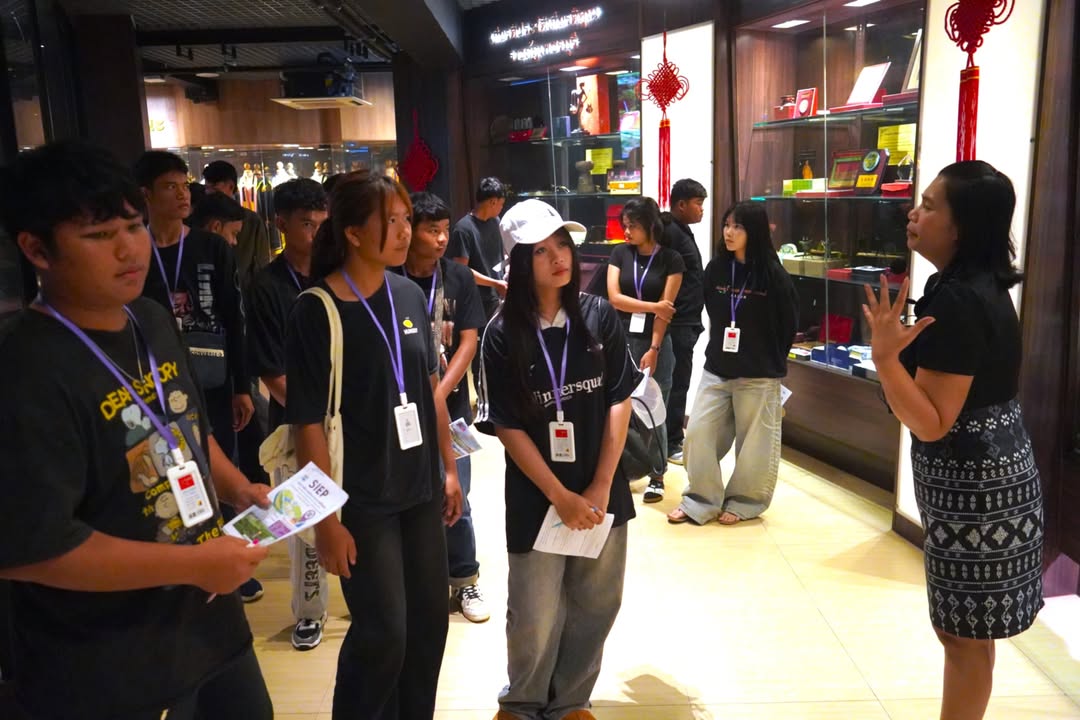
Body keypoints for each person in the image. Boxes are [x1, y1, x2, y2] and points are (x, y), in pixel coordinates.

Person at [0, 140, 273, 720]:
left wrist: (237, 488)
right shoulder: (25, 365)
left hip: (208, 624)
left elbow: (185, 428)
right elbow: (31, 550)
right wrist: (194, 565)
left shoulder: (148, 318)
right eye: (99, 235)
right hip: (106, 661)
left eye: (133, 225)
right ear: (36, 249)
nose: (129, 248)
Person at [861, 161, 1044, 720]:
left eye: (930, 205)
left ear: (961, 226)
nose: (914, 213)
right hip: (991, 477)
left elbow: (932, 421)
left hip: (978, 490)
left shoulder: (958, 299)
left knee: (961, 634)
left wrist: (885, 358)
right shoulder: (966, 286)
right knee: (969, 632)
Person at [287, 171, 463, 719]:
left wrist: (449, 469)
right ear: (353, 232)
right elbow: (306, 424)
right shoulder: (315, 308)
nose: (406, 231)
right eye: (392, 221)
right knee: (384, 633)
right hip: (361, 500)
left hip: (419, 489)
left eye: (408, 219)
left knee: (429, 626)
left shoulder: (408, 292)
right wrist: (325, 521)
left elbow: (429, 390)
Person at [476, 199, 638, 720]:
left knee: (596, 603)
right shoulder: (501, 334)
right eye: (540, 251)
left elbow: (619, 398)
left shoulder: (598, 315)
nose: (558, 258)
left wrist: (600, 484)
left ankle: (571, 702)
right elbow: (507, 425)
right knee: (534, 610)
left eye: (562, 245)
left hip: (600, 486)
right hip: (537, 493)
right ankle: (522, 703)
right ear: (519, 263)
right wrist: (559, 495)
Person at [136, 151, 261, 602]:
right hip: (151, 381)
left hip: (213, 379)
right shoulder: (135, 251)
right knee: (165, 471)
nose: (182, 194)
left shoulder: (212, 248)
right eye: (169, 186)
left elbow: (235, 318)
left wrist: (242, 387)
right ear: (145, 195)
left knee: (219, 466)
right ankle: (188, 564)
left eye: (183, 184)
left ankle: (231, 561)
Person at [667, 201, 797, 526]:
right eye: (727, 225)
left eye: (737, 226)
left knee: (755, 444)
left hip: (759, 373)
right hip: (718, 368)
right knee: (698, 434)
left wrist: (769, 360)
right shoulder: (717, 269)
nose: (729, 232)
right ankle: (700, 500)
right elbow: (713, 311)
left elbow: (788, 324)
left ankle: (745, 501)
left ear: (754, 231)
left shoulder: (773, 275)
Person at [395, 191, 490, 623]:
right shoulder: (390, 279)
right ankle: (420, 582)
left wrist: (439, 391)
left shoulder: (458, 277)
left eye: (445, 230)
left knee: (458, 496)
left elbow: (469, 340)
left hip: (453, 412)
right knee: (410, 498)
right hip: (402, 414)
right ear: (409, 231)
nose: (441, 239)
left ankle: (464, 578)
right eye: (431, 230)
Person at [247, 178, 331, 650]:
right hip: (295, 420)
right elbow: (270, 369)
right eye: (306, 224)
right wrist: (310, 416)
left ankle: (365, 598)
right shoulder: (266, 286)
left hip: (347, 415)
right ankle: (310, 612)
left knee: (358, 512)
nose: (316, 233)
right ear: (281, 224)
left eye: (322, 223)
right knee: (304, 523)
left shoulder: (338, 274)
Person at [606, 196, 683, 502]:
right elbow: (614, 298)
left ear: (650, 226)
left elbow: (666, 312)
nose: (626, 232)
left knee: (654, 410)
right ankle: (624, 468)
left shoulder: (671, 259)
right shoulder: (619, 253)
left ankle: (657, 474)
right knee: (620, 406)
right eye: (624, 225)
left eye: (632, 226)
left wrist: (654, 348)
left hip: (655, 342)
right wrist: (653, 306)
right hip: (620, 338)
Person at [661, 178, 708, 465]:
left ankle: (670, 439)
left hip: (686, 320)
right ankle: (670, 443)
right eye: (698, 204)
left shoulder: (680, 230)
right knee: (676, 383)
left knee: (679, 382)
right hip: (677, 322)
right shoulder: (670, 232)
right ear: (681, 204)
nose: (702, 209)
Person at [203, 159, 271, 290]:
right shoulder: (202, 216)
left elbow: (261, 263)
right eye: (207, 188)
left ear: (230, 186)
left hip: (243, 293)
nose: (209, 193)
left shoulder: (251, 220)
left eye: (214, 188)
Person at [449, 176, 508, 322]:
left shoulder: (496, 221)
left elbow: (500, 255)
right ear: (492, 202)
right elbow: (461, 271)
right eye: (501, 204)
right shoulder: (463, 229)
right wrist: (495, 283)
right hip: (477, 301)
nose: (502, 208)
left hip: (498, 296)